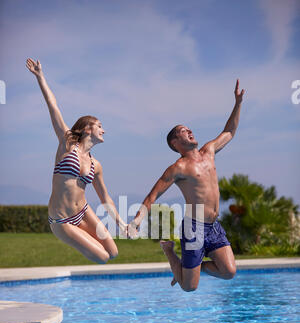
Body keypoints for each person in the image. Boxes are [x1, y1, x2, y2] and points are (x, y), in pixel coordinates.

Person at [129, 79, 245, 291]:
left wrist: (237, 103)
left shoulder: (209, 151)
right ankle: (169, 252)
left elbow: (229, 132)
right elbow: (152, 196)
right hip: (194, 229)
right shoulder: (178, 168)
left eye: (189, 129)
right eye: (184, 130)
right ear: (175, 142)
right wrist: (137, 220)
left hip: (214, 226)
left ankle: (187, 268)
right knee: (188, 287)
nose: (190, 131)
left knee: (229, 272)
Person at [26, 58, 127, 263]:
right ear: (87, 128)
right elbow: (53, 106)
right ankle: (75, 237)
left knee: (113, 252)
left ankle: (84, 235)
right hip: (62, 219)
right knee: (102, 257)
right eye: (99, 126)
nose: (103, 130)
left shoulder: (95, 165)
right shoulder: (67, 143)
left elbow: (105, 198)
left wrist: (121, 224)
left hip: (83, 211)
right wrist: (40, 77)